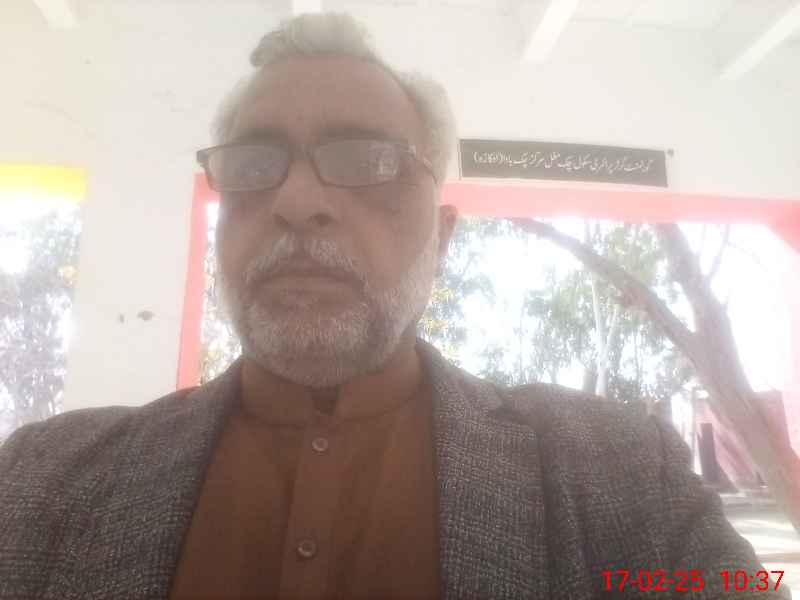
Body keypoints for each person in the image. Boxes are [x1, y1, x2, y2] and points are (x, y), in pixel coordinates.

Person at [0, 11, 789, 600]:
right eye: (253, 164)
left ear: (442, 239)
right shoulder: (40, 483)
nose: (296, 200)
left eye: (370, 161)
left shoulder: (622, 476)